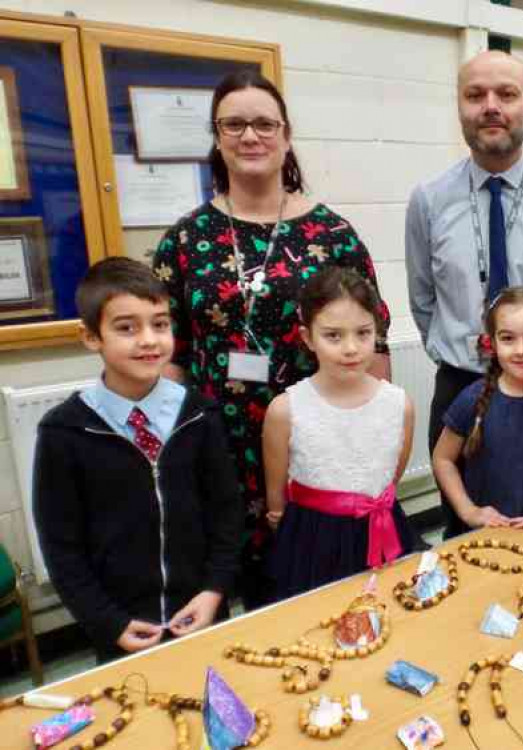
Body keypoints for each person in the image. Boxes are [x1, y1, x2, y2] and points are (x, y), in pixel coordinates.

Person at [153, 71, 391, 609]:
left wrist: (370, 444)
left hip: (319, 444)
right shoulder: (187, 239)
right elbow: (172, 355)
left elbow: (374, 346)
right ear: (217, 138)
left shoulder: (334, 236)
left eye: (264, 123)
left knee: (324, 588)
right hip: (220, 445)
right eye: (233, 124)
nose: (249, 136)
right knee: (240, 592)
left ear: (285, 137)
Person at [405, 50, 523, 533]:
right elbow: (423, 299)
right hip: (461, 382)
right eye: (475, 95)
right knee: (465, 529)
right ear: (459, 106)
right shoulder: (428, 199)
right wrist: (466, 355)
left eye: (506, 94)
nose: (491, 106)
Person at [33, 257, 242, 662]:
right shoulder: (64, 432)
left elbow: (226, 513)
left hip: (202, 613)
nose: (149, 340)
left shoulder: (200, 415)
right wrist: (107, 621)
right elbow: (61, 546)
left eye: (160, 324)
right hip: (121, 627)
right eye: (127, 327)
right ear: (91, 337)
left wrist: (215, 590)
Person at [263, 268, 419, 600]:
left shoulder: (398, 404)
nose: (351, 348)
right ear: (308, 338)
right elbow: (276, 503)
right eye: (333, 336)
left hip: (381, 531)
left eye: (363, 333)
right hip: (312, 543)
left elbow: (390, 478)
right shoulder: (285, 410)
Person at [431, 286, 523, 538]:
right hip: (487, 541)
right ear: (492, 343)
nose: (521, 350)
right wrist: (469, 512)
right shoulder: (471, 400)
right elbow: (443, 459)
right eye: (508, 338)